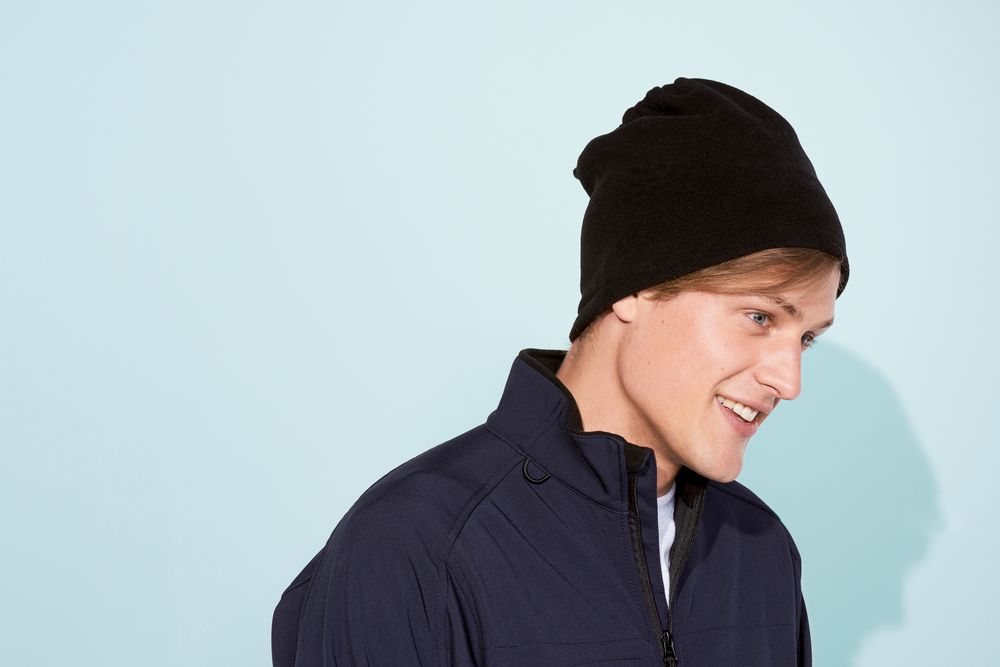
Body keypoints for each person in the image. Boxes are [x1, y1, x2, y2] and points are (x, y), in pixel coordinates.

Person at [271, 76, 849, 666]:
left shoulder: (760, 549)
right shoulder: (416, 548)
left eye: (806, 338)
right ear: (635, 288)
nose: (789, 382)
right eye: (759, 317)